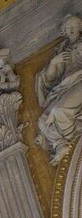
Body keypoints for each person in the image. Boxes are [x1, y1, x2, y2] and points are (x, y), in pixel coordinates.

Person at [37, 15, 82, 165]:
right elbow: (50, 78)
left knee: (58, 110)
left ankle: (74, 130)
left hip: (80, 81)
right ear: (64, 31)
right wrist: (54, 62)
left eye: (74, 26)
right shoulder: (61, 49)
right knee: (42, 121)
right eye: (68, 27)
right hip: (64, 86)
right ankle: (60, 145)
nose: (71, 29)